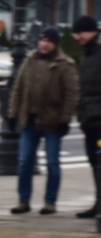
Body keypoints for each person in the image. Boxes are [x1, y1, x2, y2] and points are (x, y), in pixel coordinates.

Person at [8, 26, 80, 214]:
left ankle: (50, 201)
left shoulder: (65, 64)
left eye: (48, 41)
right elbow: (19, 88)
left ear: (55, 44)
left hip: (52, 121)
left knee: (52, 163)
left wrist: (65, 119)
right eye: (42, 40)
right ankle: (23, 200)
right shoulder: (30, 60)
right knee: (24, 161)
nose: (44, 44)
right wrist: (13, 113)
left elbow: (71, 94)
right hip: (30, 119)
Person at [72, 15, 101, 217]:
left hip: (98, 117)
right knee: (94, 163)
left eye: (80, 32)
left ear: (92, 32)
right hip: (88, 118)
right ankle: (99, 203)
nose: (77, 37)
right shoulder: (85, 55)